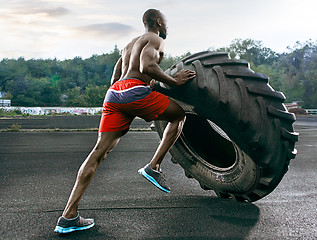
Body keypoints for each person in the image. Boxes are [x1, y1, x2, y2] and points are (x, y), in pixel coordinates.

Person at [54, 8, 196, 234]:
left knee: (98, 152)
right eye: (165, 22)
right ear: (158, 21)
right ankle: (154, 166)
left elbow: (116, 78)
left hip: (114, 93)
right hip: (133, 92)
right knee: (178, 116)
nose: (166, 27)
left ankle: (68, 216)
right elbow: (146, 67)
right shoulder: (155, 38)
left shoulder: (129, 45)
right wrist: (174, 81)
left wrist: (144, 86)